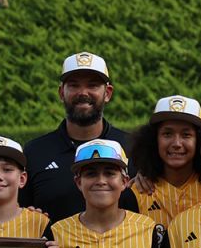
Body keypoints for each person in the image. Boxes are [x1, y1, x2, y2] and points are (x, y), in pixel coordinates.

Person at [20, 52, 138, 228]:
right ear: (61, 93)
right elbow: (18, 213)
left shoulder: (133, 148)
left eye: (93, 85)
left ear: (107, 93)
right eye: (74, 85)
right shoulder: (35, 152)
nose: (83, 93)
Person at [131, 95, 201, 228]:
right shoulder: (138, 192)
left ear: (199, 140)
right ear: (153, 139)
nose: (176, 143)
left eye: (186, 135)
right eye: (167, 134)